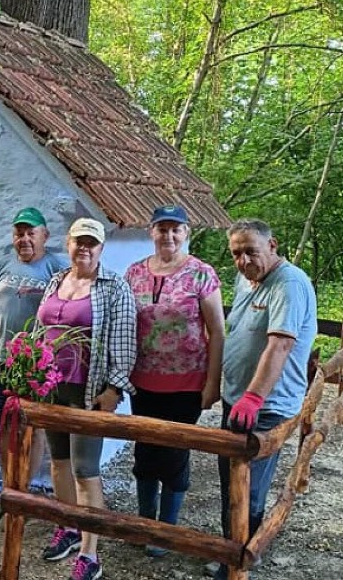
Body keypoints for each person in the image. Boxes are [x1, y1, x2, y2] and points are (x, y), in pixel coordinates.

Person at [206, 219, 316, 580]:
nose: (243, 260)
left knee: (247, 490)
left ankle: (239, 561)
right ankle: (232, 551)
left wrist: (253, 396)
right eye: (236, 253)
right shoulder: (246, 277)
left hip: (265, 407)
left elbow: (281, 343)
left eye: (251, 251)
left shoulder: (289, 284)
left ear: (273, 245)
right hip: (236, 400)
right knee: (231, 482)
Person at [36, 218, 136, 580]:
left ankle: (90, 554)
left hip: (87, 392)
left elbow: (124, 342)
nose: (84, 248)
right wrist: (31, 368)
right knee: (58, 462)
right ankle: (69, 527)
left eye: (91, 243)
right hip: (51, 388)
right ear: (68, 244)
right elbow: (40, 329)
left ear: (101, 248)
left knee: (85, 471)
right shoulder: (56, 280)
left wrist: (114, 389)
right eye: (79, 241)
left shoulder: (114, 287)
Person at [124, 205, 225, 556]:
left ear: (186, 233)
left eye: (175, 229)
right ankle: (143, 523)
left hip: (187, 383)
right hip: (143, 382)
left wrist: (213, 383)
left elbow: (218, 331)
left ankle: (165, 530)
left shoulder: (201, 274)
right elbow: (125, 326)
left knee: (174, 452)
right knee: (145, 449)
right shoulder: (134, 273)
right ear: (151, 231)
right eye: (161, 228)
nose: (168, 235)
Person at [0, 207, 69, 524]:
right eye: (19, 233)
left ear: (45, 235)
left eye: (31, 232)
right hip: (2, 363)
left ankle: (25, 496)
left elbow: (65, 317)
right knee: (4, 428)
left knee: (32, 430)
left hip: (34, 367)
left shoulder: (57, 268)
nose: (24, 238)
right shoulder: (1, 265)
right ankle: (8, 492)